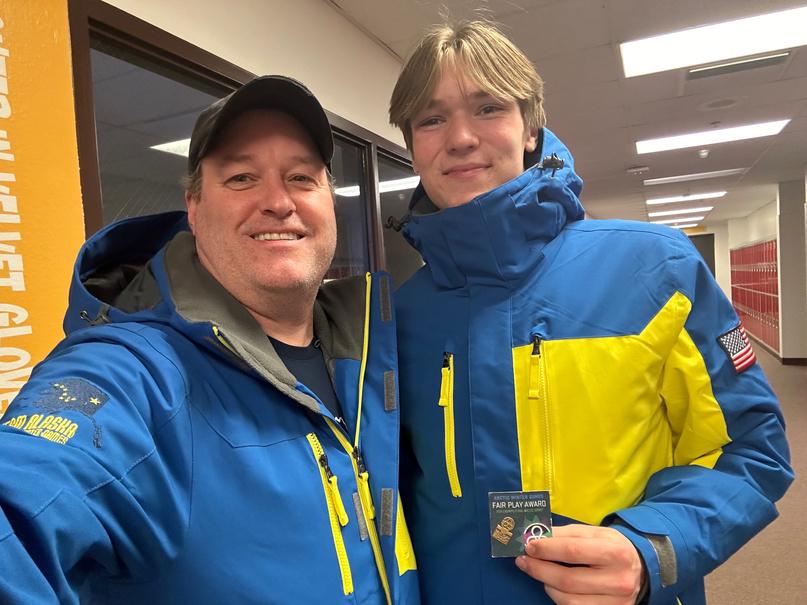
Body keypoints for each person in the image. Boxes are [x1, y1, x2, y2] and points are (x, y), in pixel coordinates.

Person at [388, 20, 792, 605]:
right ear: (412, 146)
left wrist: (651, 546)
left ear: (530, 127)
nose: (461, 138)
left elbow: (753, 449)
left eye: (487, 108)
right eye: (431, 119)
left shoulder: (657, 270)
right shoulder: (399, 316)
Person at [0, 76, 418, 604]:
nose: (278, 201)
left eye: (301, 177)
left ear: (329, 203)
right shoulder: (135, 374)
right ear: (193, 208)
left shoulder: (374, 346)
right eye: (242, 178)